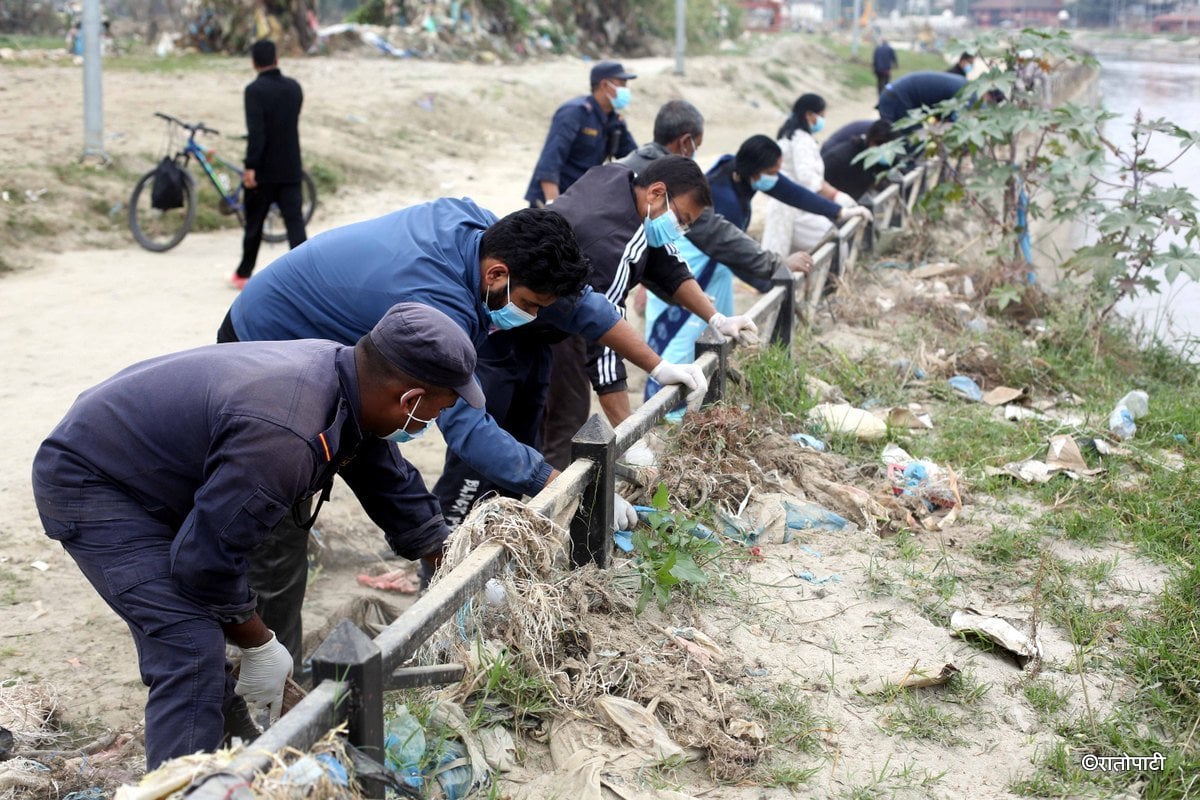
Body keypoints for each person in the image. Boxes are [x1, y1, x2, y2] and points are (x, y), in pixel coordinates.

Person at [220, 203, 707, 661]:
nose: (534, 319)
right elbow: (467, 429)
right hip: (265, 351)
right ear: (496, 275)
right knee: (280, 527)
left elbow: (581, 308)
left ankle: (444, 576)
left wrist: (658, 365)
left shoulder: (482, 233)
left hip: (344, 357)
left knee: (383, 470)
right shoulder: (440, 305)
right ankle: (272, 690)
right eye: (531, 305)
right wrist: (557, 483)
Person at [32, 302, 482, 769]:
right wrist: (260, 643)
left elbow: (388, 480)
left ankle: (234, 743)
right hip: (94, 478)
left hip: (152, 463)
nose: (429, 425)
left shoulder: (347, 379)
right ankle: (183, 786)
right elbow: (205, 564)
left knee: (203, 627)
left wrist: (451, 565)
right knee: (189, 646)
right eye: (436, 411)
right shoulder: (284, 438)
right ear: (408, 399)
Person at [536, 156, 761, 470]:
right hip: (541, 321)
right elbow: (604, 338)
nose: (680, 229)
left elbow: (668, 264)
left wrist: (717, 318)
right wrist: (631, 435)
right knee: (565, 419)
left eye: (687, 225)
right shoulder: (613, 244)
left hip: (555, 307)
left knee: (537, 419)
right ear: (657, 193)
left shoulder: (619, 178)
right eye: (680, 218)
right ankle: (553, 507)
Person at [644, 136, 869, 406]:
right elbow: (731, 250)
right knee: (680, 345)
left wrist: (838, 211)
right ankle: (664, 412)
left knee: (715, 337)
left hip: (717, 273)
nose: (775, 179)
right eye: (771, 173)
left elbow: (791, 192)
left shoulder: (741, 174)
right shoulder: (722, 195)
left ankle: (707, 402)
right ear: (755, 171)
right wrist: (774, 274)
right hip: (692, 270)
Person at [615, 100, 822, 292]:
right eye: (698, 145)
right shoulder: (673, 180)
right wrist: (775, 265)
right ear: (686, 142)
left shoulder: (626, 164)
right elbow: (715, 233)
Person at [232, 39, 307, 290]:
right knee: (295, 224)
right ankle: (306, 277)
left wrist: (250, 166)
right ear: (277, 59)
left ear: (254, 63)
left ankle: (244, 274)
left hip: (264, 172)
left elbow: (258, 133)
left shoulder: (254, 91)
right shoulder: (294, 88)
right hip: (290, 168)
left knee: (254, 224)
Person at [762, 93, 864, 258]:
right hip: (794, 207)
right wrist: (836, 196)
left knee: (787, 257)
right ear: (809, 115)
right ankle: (834, 283)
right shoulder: (801, 140)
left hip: (790, 205)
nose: (822, 121)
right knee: (833, 242)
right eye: (821, 116)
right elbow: (808, 178)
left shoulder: (789, 135)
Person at [523, 60, 637, 206]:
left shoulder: (614, 120)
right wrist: (553, 208)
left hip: (580, 198)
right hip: (553, 198)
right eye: (622, 84)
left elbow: (633, 157)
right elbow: (549, 163)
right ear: (604, 85)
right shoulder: (575, 113)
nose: (626, 90)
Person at [821, 119, 895, 201]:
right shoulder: (846, 159)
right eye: (880, 145)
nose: (884, 151)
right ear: (870, 140)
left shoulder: (885, 143)